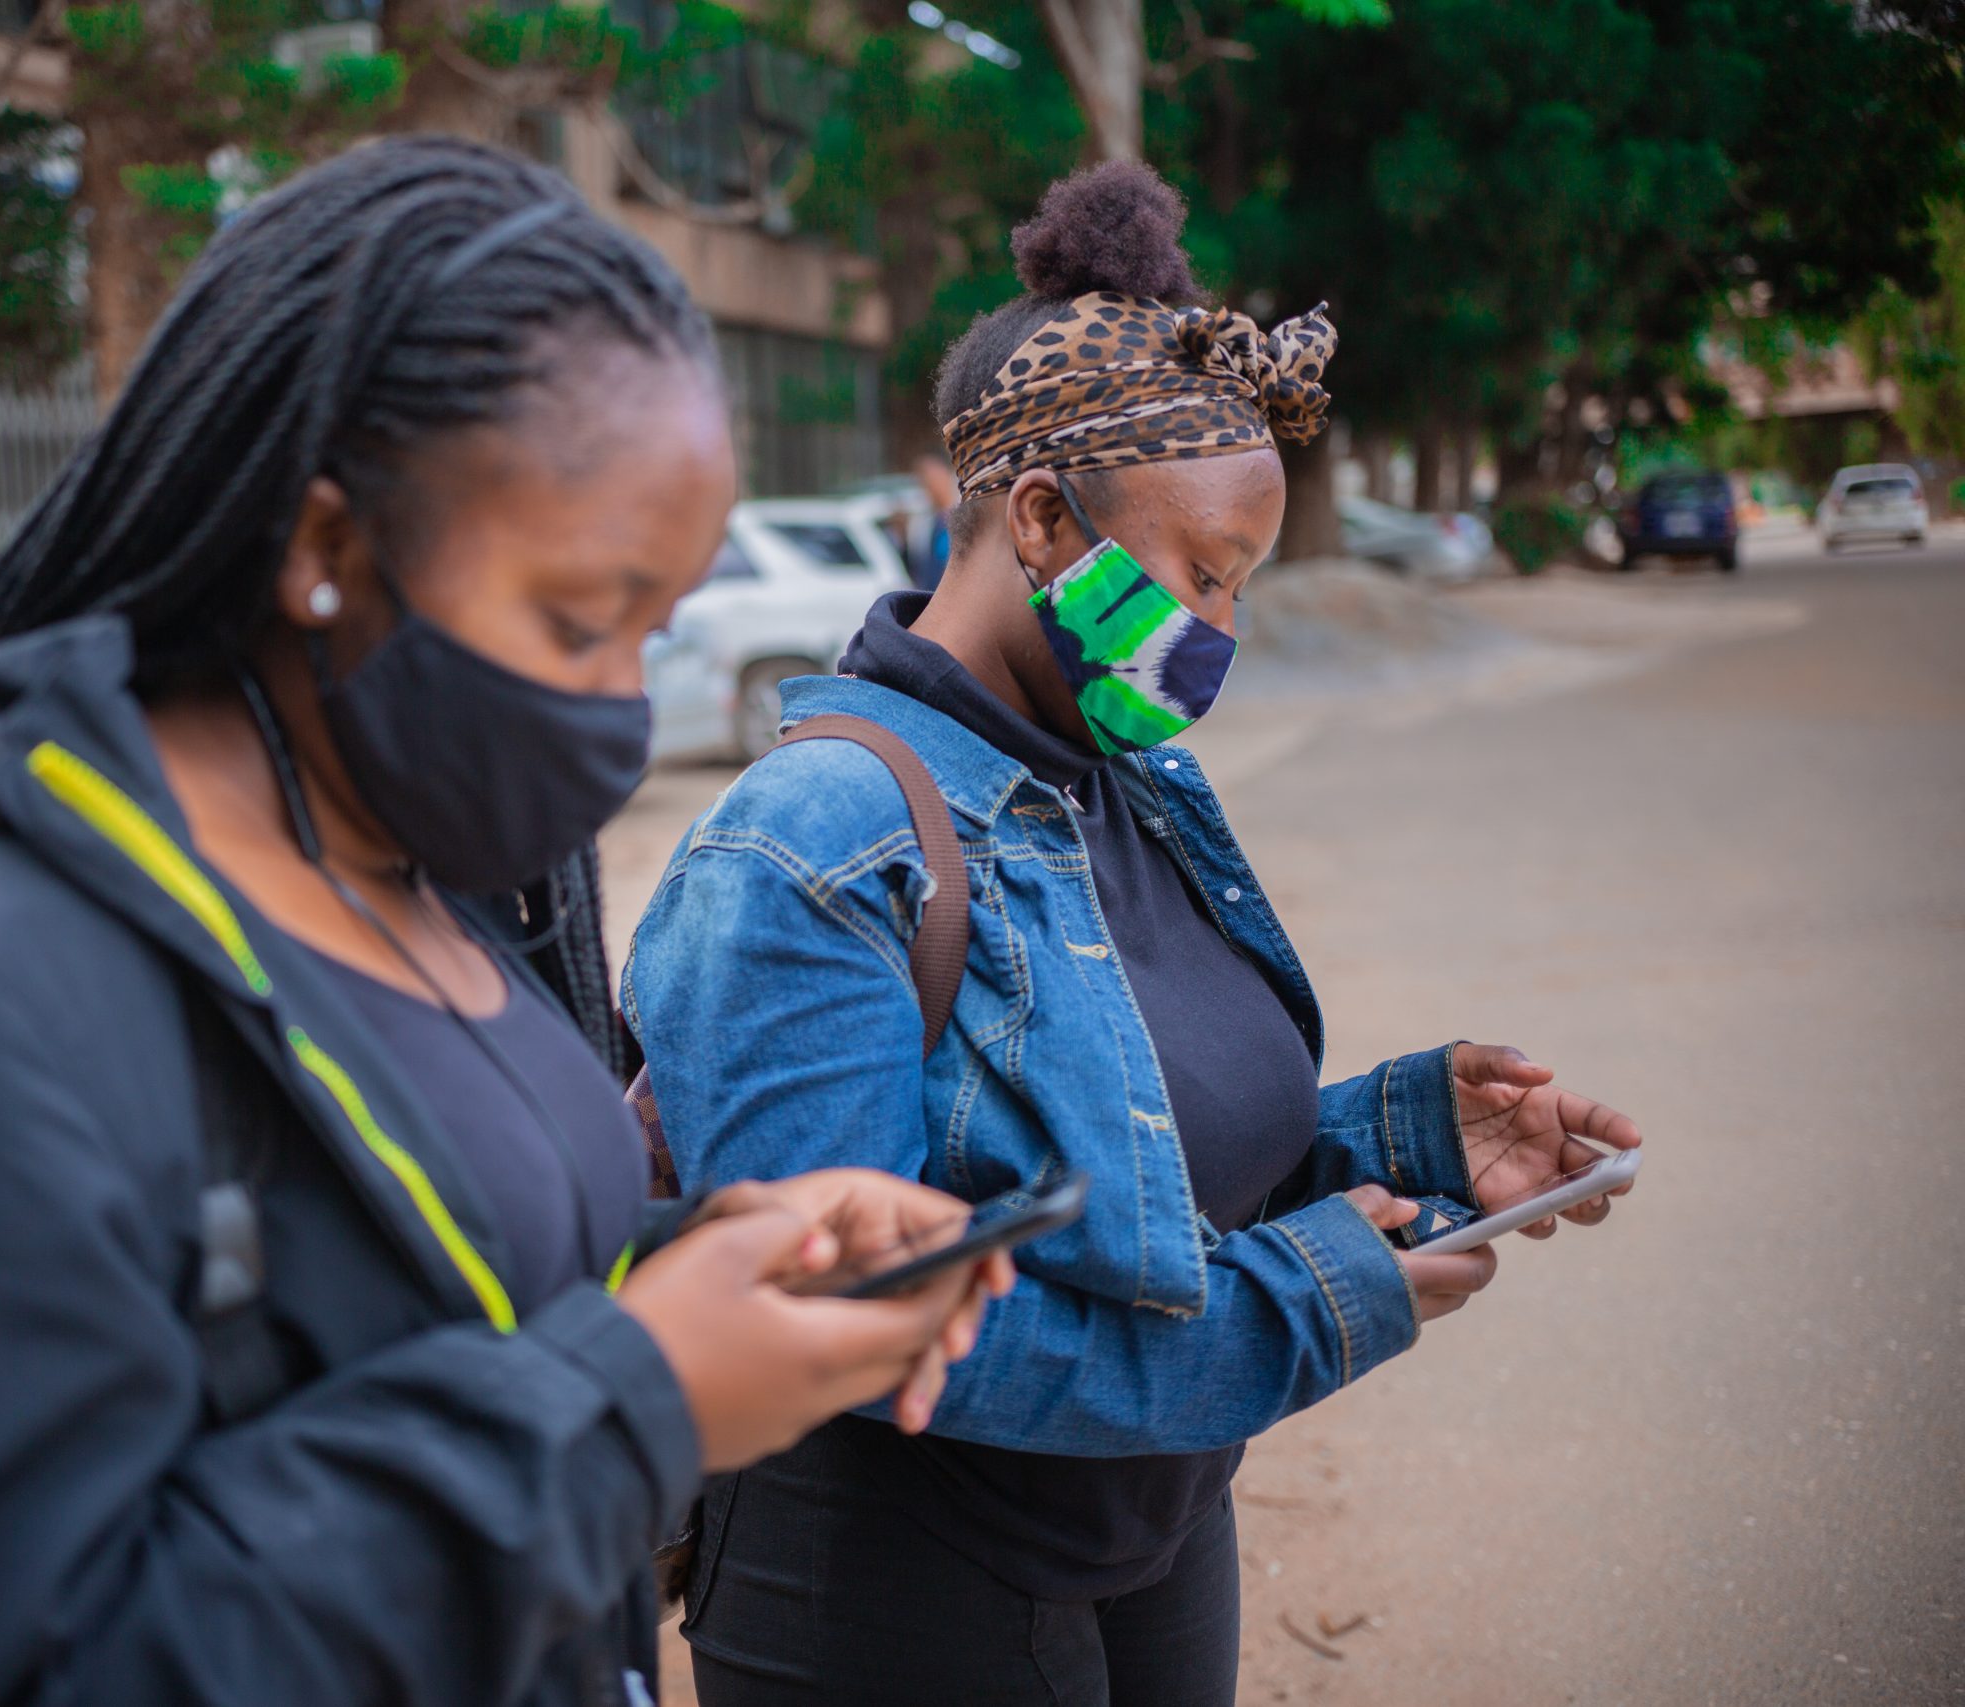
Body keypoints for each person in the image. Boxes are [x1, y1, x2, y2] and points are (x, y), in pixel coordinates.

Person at [0, 137, 1006, 1707]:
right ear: (323, 545)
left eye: (656, 627)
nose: (627, 704)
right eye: (576, 621)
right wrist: (636, 1397)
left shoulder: (393, 849)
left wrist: (710, 1262)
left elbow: (397, 1277)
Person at [624, 160, 1643, 1707]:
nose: (1218, 633)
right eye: (1202, 575)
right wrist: (1297, 1308)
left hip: (1160, 1521)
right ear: (1040, 517)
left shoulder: (1131, 775)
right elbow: (843, 1322)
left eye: (1242, 583)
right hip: (898, 1592)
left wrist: (1405, 1127)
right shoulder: (804, 848)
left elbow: (1142, 1159)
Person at [909, 449, 959, 587]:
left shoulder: (964, 515)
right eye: (923, 480)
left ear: (945, 474)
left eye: (932, 478)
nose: (928, 486)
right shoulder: (923, 524)